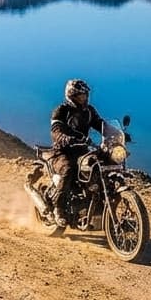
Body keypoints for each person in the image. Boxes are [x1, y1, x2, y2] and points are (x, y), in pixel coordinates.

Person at [49, 78, 104, 228]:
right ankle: (58, 209)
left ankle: (99, 210)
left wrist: (118, 134)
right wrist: (65, 138)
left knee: (100, 168)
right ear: (72, 96)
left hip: (82, 152)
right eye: (81, 95)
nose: (84, 98)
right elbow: (56, 130)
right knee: (69, 170)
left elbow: (101, 125)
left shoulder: (89, 111)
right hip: (62, 152)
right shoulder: (61, 110)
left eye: (85, 95)